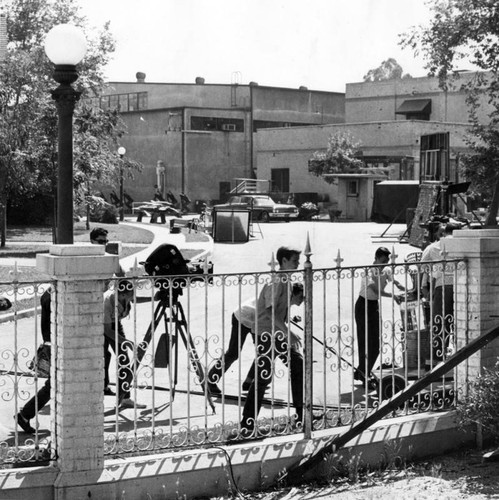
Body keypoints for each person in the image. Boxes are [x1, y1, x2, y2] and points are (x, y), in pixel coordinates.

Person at [239, 247, 303, 436]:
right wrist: (287, 332)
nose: (298, 264)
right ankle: (247, 423)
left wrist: (285, 327)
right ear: (283, 261)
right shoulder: (276, 281)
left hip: (277, 333)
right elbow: (269, 311)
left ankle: (301, 414)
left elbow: (280, 311)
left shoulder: (287, 281)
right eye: (294, 261)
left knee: (297, 362)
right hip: (266, 334)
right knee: (263, 376)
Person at [207, 282, 304, 396]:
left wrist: (290, 319)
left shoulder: (286, 301)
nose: (303, 299)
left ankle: (249, 382)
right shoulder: (281, 297)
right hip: (243, 317)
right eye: (301, 296)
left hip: (257, 322)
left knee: (264, 351)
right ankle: (210, 380)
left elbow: (278, 316)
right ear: (294, 294)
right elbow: (272, 315)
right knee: (234, 353)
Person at [354, 247, 404, 386]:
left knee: (375, 344)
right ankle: (364, 374)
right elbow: (376, 290)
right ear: (376, 258)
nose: (384, 265)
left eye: (386, 262)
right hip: (363, 305)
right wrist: (392, 296)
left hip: (374, 306)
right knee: (365, 342)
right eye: (382, 261)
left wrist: (407, 290)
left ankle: (362, 371)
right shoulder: (368, 271)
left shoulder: (386, 270)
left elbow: (395, 282)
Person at [104, 280, 145, 409]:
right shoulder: (107, 302)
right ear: (122, 295)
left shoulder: (123, 297)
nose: (133, 296)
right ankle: (102, 387)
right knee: (102, 359)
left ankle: (125, 398)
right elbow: (107, 331)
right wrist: (127, 343)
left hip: (115, 325)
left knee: (124, 362)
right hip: (101, 328)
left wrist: (154, 298)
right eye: (131, 293)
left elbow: (135, 300)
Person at [421, 222, 459, 365]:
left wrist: (430, 277)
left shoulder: (433, 247)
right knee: (460, 321)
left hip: (442, 285)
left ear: (444, 233)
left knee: (441, 322)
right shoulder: (462, 244)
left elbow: (423, 266)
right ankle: (460, 353)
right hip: (461, 286)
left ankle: (438, 356)